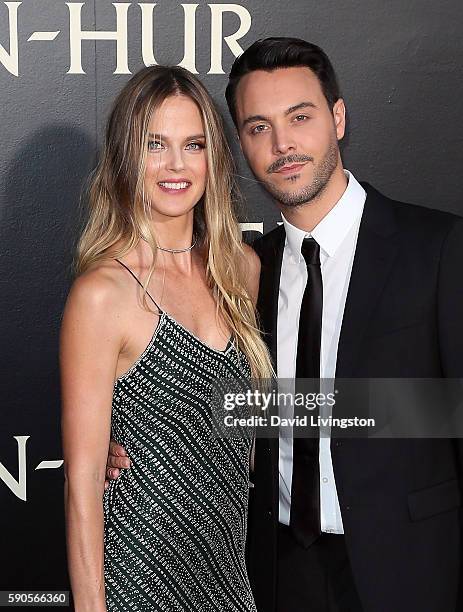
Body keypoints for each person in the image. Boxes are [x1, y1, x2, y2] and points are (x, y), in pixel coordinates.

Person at [106, 39, 463, 611]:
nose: (283, 144)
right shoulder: (245, 270)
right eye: (257, 127)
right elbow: (225, 403)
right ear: (240, 147)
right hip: (273, 570)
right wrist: (129, 438)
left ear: (338, 118)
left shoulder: (437, 248)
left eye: (300, 117)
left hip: (409, 567)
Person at [60, 64, 272, 612]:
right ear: (129, 158)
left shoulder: (240, 271)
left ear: (212, 158)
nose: (177, 165)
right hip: (137, 582)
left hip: (228, 578)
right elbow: (83, 486)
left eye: (193, 144)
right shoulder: (103, 294)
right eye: (156, 144)